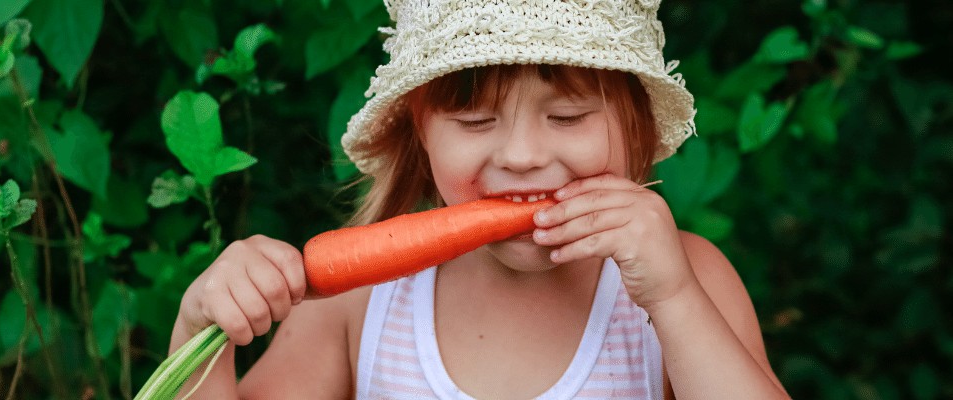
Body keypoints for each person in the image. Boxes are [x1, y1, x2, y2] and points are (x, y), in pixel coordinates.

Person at [170, 0, 790, 398]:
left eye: (569, 116)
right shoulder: (359, 299)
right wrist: (200, 329)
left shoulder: (690, 280)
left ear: (638, 129)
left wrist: (674, 298)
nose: (521, 156)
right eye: (473, 121)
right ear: (421, 133)